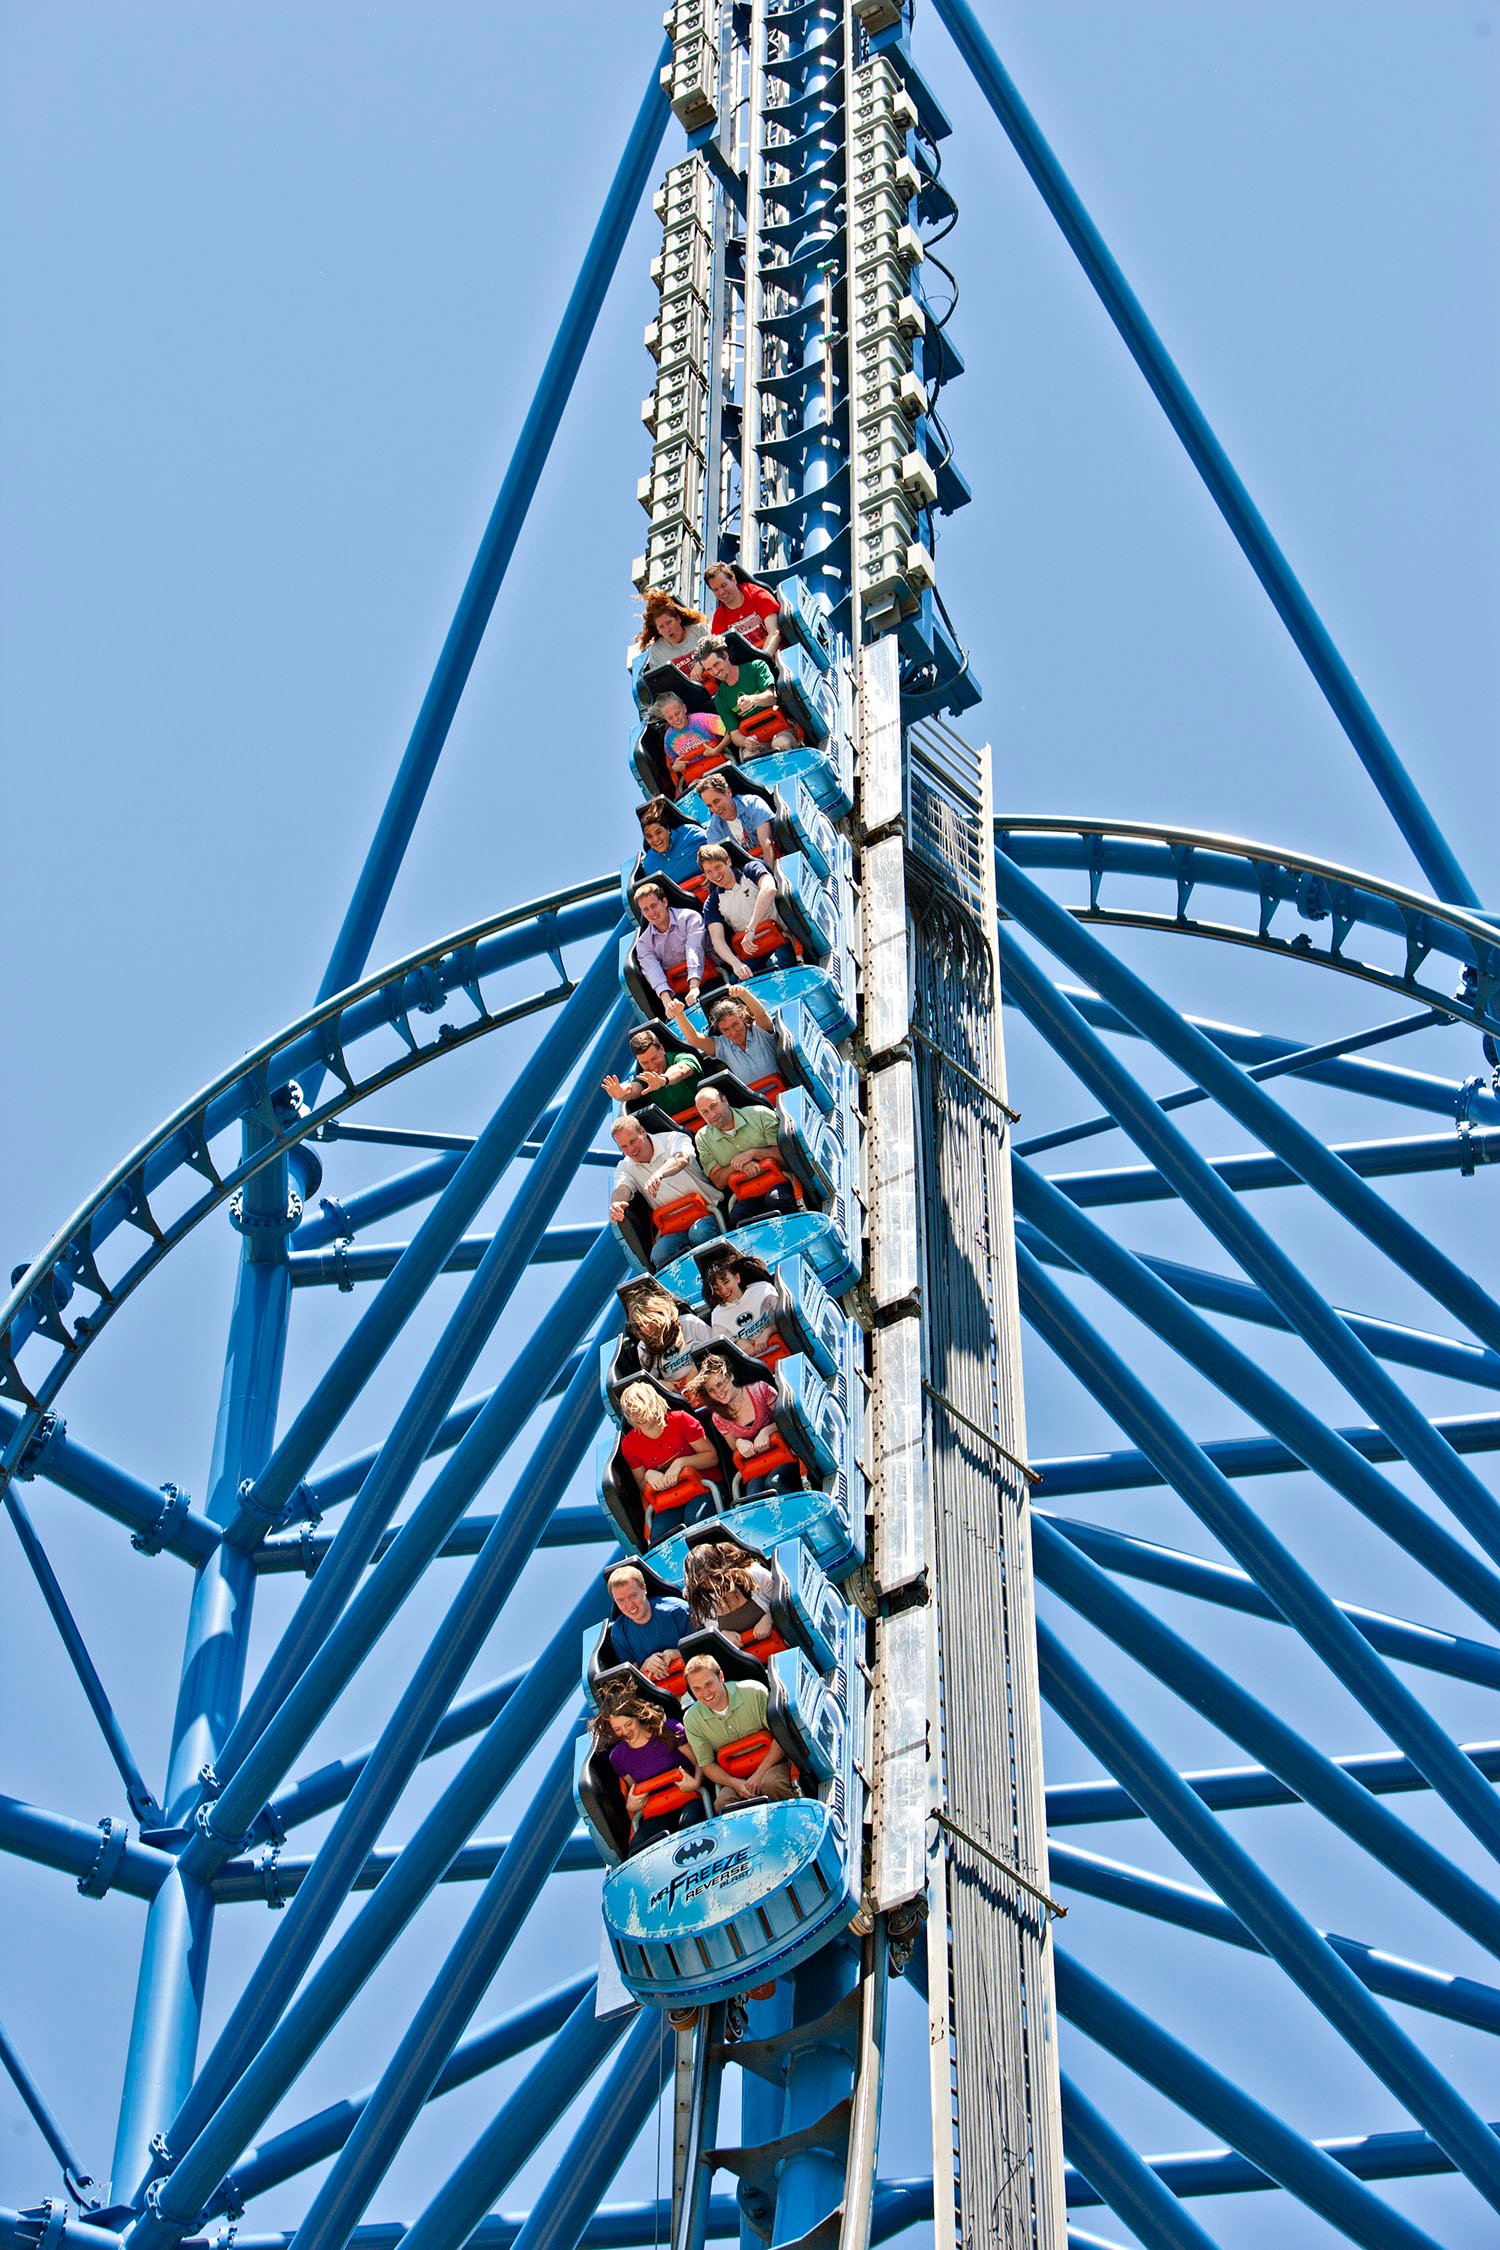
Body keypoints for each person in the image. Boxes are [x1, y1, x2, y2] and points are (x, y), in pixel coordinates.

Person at [593, 1692, 705, 1855]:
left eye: (628, 1724)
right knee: (638, 1849)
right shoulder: (618, 1756)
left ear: (638, 1717)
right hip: (657, 1810)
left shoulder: (669, 1730)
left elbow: (701, 1762)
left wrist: (696, 1782)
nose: (625, 1732)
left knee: (690, 1825)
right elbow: (635, 1789)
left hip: (689, 1798)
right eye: (617, 1729)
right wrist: (631, 1804)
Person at [682, 1653, 795, 1811]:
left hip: (771, 1763)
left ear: (721, 1677)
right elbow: (707, 1764)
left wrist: (758, 1775)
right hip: (735, 1775)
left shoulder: (754, 1692)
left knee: (771, 1784)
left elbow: (781, 1737)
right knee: (723, 1804)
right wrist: (735, 1783)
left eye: (709, 1684)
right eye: (697, 1689)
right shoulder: (691, 1719)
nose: (705, 1693)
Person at [609, 1114, 725, 1267]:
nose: (631, 1149)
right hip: (673, 1226)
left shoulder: (673, 1139)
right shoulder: (625, 1166)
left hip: (708, 1212)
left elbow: (681, 1158)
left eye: (633, 1141)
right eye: (623, 1147)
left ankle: (722, 1272)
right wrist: (616, 1204)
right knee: (660, 1253)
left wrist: (660, 1173)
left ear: (642, 1131)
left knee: (699, 1232)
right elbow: (622, 1189)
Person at [617, 1380, 719, 1543]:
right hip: (668, 1499)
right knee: (661, 1536)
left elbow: (711, 1457)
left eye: (641, 1409)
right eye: (632, 1412)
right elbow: (642, 1485)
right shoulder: (630, 1444)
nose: (638, 1417)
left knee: (695, 1520)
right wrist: (649, 1476)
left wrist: (681, 1463)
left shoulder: (680, 1420)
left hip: (702, 1486)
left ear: (653, 1403)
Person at [698, 1350, 803, 1494]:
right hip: (758, 1464)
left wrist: (766, 1431)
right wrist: (739, 1442)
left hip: (786, 1454)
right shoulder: (719, 1417)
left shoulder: (761, 1389)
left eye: (720, 1384)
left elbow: (787, 1419)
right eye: (711, 1390)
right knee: (753, 1492)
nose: (718, 1392)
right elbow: (733, 1446)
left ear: (731, 1376)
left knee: (773, 1483)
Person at [693, 1086, 798, 1224]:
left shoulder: (759, 1115)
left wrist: (753, 1154)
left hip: (782, 1180)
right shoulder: (702, 1138)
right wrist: (739, 1165)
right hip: (746, 1193)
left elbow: (787, 1157)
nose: (711, 1115)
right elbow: (718, 1181)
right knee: (738, 1217)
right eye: (705, 1112)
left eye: (714, 1106)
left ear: (725, 1100)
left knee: (775, 1200)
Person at [699, 844, 796, 977]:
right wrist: (736, 964)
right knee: (737, 981)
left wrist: (751, 928)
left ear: (728, 861)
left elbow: (769, 889)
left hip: (781, 937)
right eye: (709, 872)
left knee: (775, 967)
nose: (715, 875)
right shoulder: (712, 902)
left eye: (718, 867)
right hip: (754, 949)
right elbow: (717, 939)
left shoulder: (751, 870)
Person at [665, 987, 784, 1093]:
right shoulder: (723, 1046)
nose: (733, 1032)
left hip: (784, 1091)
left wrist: (744, 993)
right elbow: (694, 1039)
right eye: (725, 1029)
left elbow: (761, 1014)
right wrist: (679, 1014)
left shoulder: (760, 1032)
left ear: (742, 1018)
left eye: (735, 1024)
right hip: (758, 1104)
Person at [697, 637, 797, 756]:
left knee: (780, 743)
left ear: (725, 656)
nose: (715, 672)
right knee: (748, 755)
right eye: (709, 669)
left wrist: (752, 700)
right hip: (756, 738)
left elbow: (771, 697)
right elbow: (734, 734)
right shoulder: (720, 697)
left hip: (783, 728)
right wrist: (745, 741)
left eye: (716, 664)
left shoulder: (756, 667)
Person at [605, 1563, 693, 1683]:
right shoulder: (619, 1632)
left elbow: (705, 1650)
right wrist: (646, 1665)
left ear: (644, 1588)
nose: (629, 1605)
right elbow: (632, 1681)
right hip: (658, 1691)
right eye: (620, 1601)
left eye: (633, 1596)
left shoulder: (678, 1610)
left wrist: (675, 1653)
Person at [602, 1023, 709, 1119]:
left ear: (662, 1049)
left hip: (709, 1116)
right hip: (675, 1131)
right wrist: (622, 1093)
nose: (652, 1066)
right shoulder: (645, 1078)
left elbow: (681, 1070)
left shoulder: (682, 1058)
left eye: (654, 1058)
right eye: (645, 1063)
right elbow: (632, 1088)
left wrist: (663, 1080)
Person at [621, 1282, 713, 1392]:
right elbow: (650, 1384)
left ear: (661, 1313)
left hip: (710, 1379)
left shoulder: (689, 1323)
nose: (647, 1328)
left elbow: (720, 1350)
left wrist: (699, 1369)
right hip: (680, 1393)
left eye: (651, 1321)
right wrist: (661, 1384)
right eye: (641, 1325)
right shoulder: (643, 1347)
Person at [631, 881, 708, 1009]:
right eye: (645, 909)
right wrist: (667, 1004)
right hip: (678, 991)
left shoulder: (689, 918)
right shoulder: (644, 943)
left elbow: (695, 950)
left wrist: (694, 987)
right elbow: (654, 973)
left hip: (708, 976)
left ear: (664, 902)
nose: (651, 913)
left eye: (653, 905)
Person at [683, 1541, 777, 1647]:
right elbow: (714, 1635)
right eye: (701, 1583)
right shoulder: (704, 1603)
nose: (707, 1584)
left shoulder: (754, 1574)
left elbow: (785, 1601)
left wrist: (770, 1617)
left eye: (708, 1577)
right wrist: (722, 1636)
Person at [700, 1247, 782, 1361]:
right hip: (757, 1365)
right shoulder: (718, 1315)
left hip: (782, 1347)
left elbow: (787, 1317)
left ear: (737, 1278)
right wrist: (738, 1343)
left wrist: (767, 1332)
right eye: (717, 1288)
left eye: (726, 1282)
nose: (724, 1291)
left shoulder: (762, 1289)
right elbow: (725, 1352)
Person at [650, 692, 729, 795]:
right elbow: (673, 763)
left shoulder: (702, 720)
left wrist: (717, 749)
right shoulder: (669, 739)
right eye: (670, 718)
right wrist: (676, 767)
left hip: (720, 764)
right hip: (697, 777)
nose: (676, 719)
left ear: (684, 709)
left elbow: (730, 731)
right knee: (693, 790)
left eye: (677, 713)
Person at [698, 767, 778, 866]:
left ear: (728, 793)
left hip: (775, 860)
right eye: (709, 806)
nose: (715, 809)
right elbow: (716, 862)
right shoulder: (714, 828)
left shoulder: (753, 805)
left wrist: (770, 876)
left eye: (716, 801)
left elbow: (767, 845)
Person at [704, 562, 784, 661]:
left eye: (724, 585)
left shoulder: (758, 596)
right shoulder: (719, 618)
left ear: (733, 579)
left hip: (778, 654)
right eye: (715, 590)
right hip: (751, 665)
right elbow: (719, 652)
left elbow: (775, 632)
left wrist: (763, 661)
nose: (721, 592)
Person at [635, 588, 709, 681]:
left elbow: (720, 646)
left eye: (669, 622)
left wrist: (701, 663)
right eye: (661, 627)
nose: (667, 629)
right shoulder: (658, 651)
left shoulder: (699, 630)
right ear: (658, 631)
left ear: (678, 619)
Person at [636, 798, 710, 891]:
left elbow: (720, 851)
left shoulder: (691, 834)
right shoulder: (648, 865)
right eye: (649, 836)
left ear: (667, 829)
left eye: (658, 832)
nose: (655, 839)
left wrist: (712, 874)